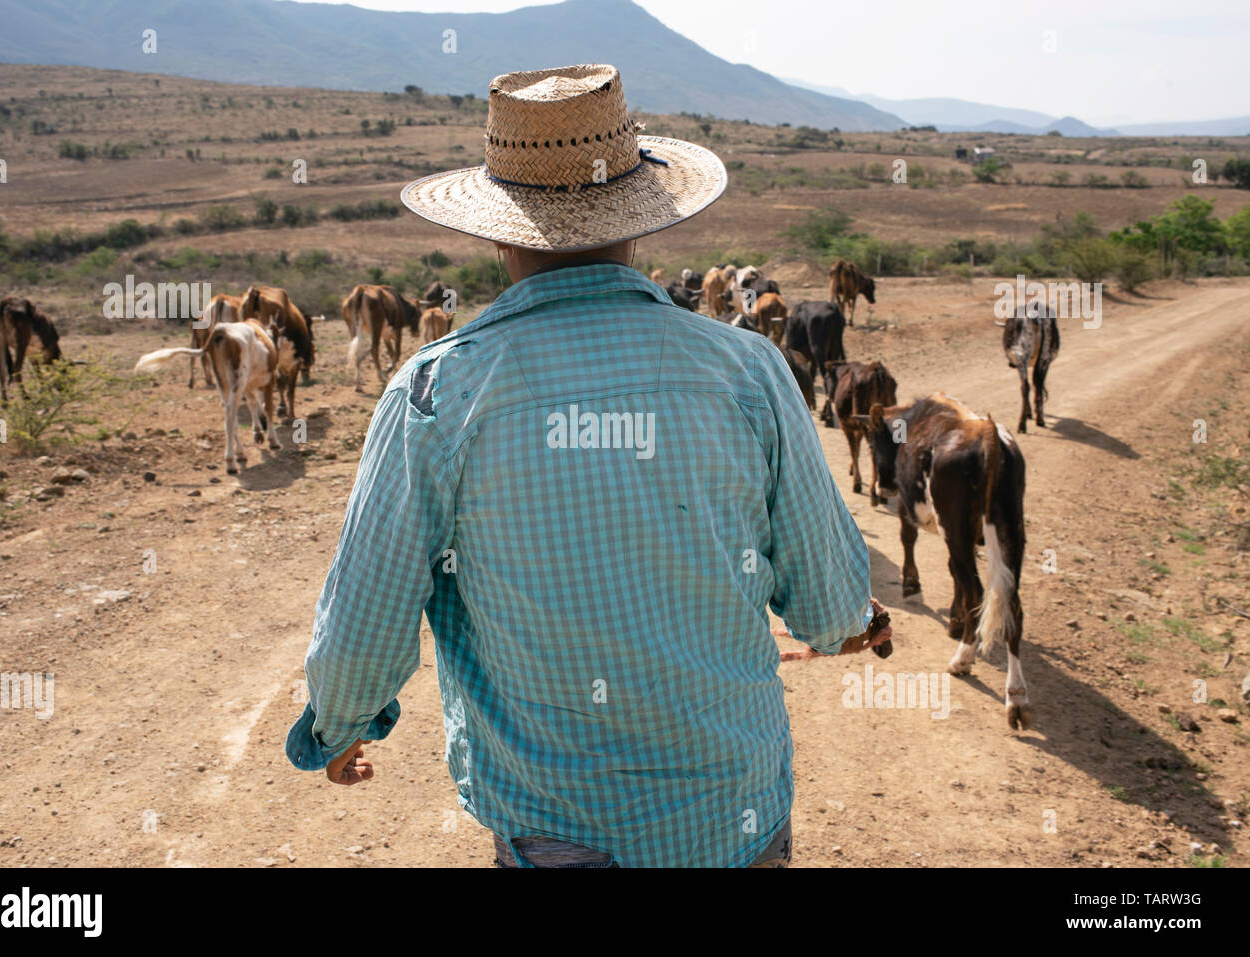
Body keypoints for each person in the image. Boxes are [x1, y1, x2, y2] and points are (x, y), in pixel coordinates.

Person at [285, 63, 891, 868]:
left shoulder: (436, 392)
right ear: (640, 219)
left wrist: (339, 726)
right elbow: (829, 602)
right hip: (738, 819)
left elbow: (367, 617)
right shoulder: (749, 371)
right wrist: (853, 623)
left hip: (561, 834)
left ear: (497, 228)